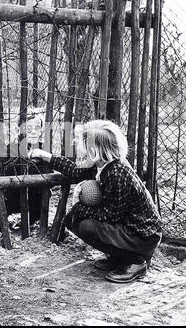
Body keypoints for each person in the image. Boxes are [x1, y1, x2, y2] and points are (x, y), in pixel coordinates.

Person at [28, 119, 162, 283]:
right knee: (78, 221)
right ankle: (119, 257)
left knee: (86, 226)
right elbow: (76, 171)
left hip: (143, 237)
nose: (81, 152)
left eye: (85, 148)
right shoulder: (104, 164)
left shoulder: (117, 173)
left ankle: (135, 261)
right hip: (129, 229)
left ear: (96, 150)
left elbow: (111, 216)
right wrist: (46, 156)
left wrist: (78, 206)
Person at [0, 113, 47, 226]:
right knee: (2, 198)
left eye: (37, 128)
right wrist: (23, 161)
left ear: (41, 131)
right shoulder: (12, 148)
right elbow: (5, 173)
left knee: (44, 194)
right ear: (19, 129)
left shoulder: (44, 150)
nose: (33, 132)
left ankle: (31, 220)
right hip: (14, 193)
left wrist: (39, 161)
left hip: (35, 195)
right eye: (28, 129)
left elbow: (50, 177)